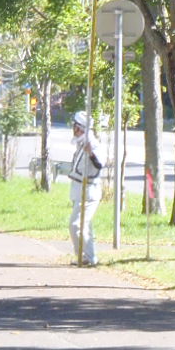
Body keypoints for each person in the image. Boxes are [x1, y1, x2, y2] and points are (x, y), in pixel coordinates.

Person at [66, 112, 104, 266]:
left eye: (75, 127)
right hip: (79, 189)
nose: (73, 130)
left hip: (88, 191)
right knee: (85, 227)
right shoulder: (81, 143)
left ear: (80, 128)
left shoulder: (92, 144)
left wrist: (91, 154)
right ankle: (88, 257)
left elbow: (99, 164)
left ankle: (86, 257)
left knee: (76, 225)